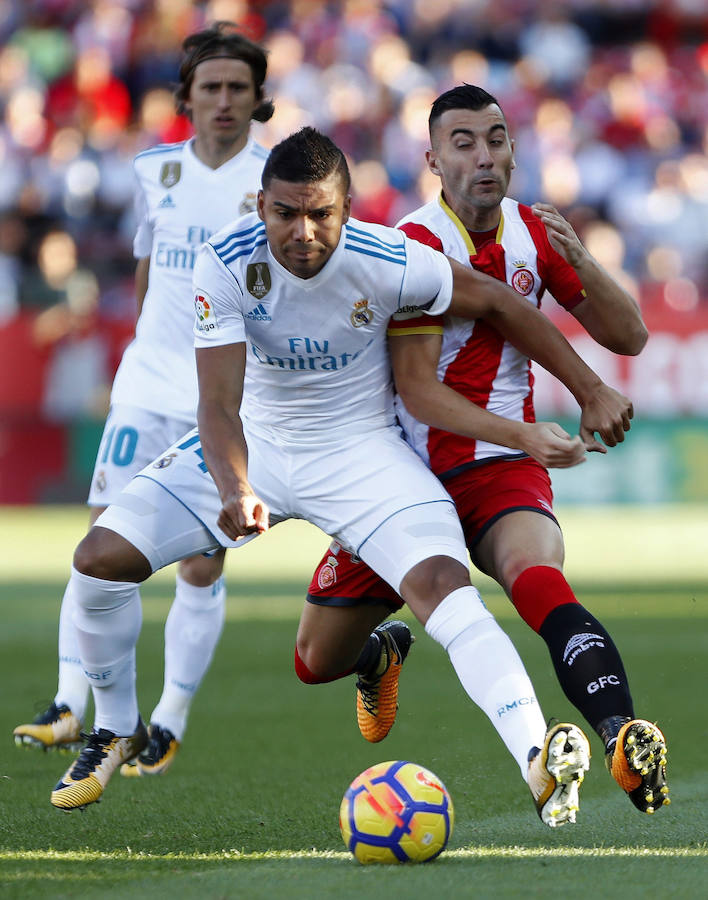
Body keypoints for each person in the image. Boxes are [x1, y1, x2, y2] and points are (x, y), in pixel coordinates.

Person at [48, 128, 639, 825]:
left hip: (363, 455)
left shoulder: (390, 258)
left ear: (348, 207)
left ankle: (540, 763)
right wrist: (236, 487)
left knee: (446, 593)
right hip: (256, 446)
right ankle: (115, 727)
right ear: (259, 205)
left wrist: (589, 386)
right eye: (285, 213)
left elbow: (503, 304)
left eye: (320, 213)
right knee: (96, 562)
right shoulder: (227, 262)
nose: (302, 232)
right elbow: (216, 402)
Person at [304, 85, 669, 816]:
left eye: (497, 139)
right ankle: (381, 652)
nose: (485, 156)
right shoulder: (413, 246)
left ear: (514, 149)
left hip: (500, 471)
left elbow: (628, 335)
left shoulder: (537, 232)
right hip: (403, 474)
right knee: (318, 659)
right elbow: (416, 391)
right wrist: (532, 432)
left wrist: (585, 264)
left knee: (538, 580)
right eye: (464, 142)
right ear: (434, 159)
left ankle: (621, 733)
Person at [14, 22, 273, 778]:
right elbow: (148, 271)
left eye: (237, 88)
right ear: (186, 97)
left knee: (202, 563)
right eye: (210, 87)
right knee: (99, 543)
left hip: (222, 397)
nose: (223, 100)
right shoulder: (153, 169)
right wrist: (140, 353)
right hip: (147, 381)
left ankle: (169, 717)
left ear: (259, 99)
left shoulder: (274, 181)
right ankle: (69, 703)